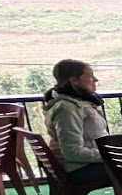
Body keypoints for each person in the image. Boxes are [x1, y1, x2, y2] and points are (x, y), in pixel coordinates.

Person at [43, 59, 110, 187]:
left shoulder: (78, 102)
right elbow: (72, 152)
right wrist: (108, 155)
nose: (95, 80)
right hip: (79, 168)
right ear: (74, 80)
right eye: (89, 76)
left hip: (88, 163)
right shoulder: (67, 109)